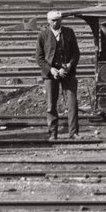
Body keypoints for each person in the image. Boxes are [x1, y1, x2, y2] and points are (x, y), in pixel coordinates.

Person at [35, 9, 81, 140]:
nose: (56, 23)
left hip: (68, 73)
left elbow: (76, 53)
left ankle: (74, 133)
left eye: (58, 20)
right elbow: (39, 57)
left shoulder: (69, 32)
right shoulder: (43, 35)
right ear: (48, 21)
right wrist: (50, 69)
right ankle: (53, 134)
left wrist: (69, 66)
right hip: (50, 75)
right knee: (51, 105)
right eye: (53, 21)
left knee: (72, 103)